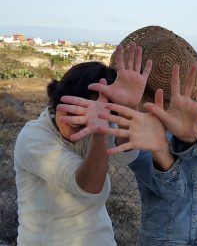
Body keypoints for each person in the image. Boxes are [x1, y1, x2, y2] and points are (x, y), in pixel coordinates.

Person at [86, 26, 197, 246]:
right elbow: (170, 190)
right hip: (168, 238)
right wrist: (160, 150)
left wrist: (192, 138)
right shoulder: (133, 121)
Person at [14, 57, 151, 246]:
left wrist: (127, 111)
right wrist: (99, 133)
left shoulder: (96, 127)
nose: (76, 123)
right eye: (72, 112)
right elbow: (87, 187)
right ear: (57, 101)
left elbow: (125, 155)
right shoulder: (34, 138)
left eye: (85, 116)